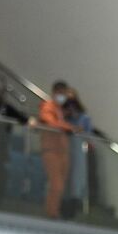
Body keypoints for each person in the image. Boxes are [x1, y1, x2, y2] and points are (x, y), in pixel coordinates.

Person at [38, 80, 76, 219]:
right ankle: (51, 213)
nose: (63, 96)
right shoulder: (48, 106)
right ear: (54, 93)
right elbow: (49, 121)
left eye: (65, 94)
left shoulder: (61, 110)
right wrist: (68, 127)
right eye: (61, 93)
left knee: (61, 184)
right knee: (56, 184)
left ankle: (54, 210)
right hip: (51, 150)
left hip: (62, 151)